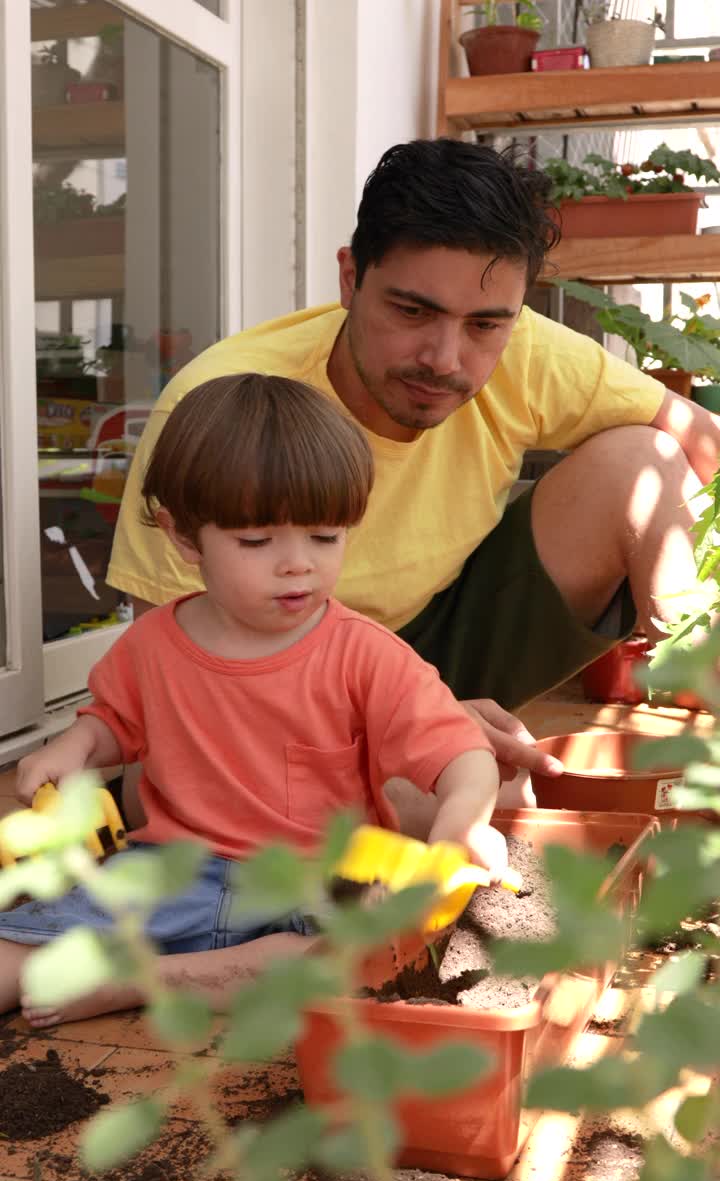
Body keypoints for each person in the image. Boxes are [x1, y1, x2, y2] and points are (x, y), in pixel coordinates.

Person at [107, 137, 720, 812]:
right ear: (350, 279)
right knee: (472, 800)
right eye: (412, 311)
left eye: (486, 324)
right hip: (270, 703)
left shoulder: (523, 348)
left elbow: (699, 436)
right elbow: (175, 694)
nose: (445, 357)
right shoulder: (222, 407)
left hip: (435, 644)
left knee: (648, 463)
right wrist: (401, 728)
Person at [4, 373, 504, 1027]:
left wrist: (462, 823)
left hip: (313, 887)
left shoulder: (364, 652)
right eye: (256, 542)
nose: (297, 564)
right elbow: (114, 721)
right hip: (172, 876)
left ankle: (146, 979)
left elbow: (462, 752)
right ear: (184, 537)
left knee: (348, 961)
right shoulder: (152, 642)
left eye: (325, 538)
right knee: (14, 949)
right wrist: (75, 746)